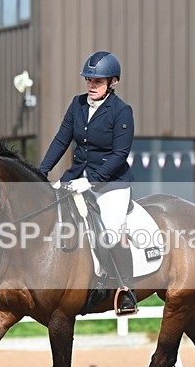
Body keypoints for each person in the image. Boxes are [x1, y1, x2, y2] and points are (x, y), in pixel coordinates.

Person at [39, 51, 138, 315]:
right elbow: (61, 140)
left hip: (111, 184)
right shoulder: (77, 105)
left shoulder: (121, 111)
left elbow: (119, 155)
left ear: (112, 82)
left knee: (111, 232)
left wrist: (91, 181)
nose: (91, 86)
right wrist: (41, 173)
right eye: (88, 80)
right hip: (75, 179)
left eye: (97, 81)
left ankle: (126, 290)